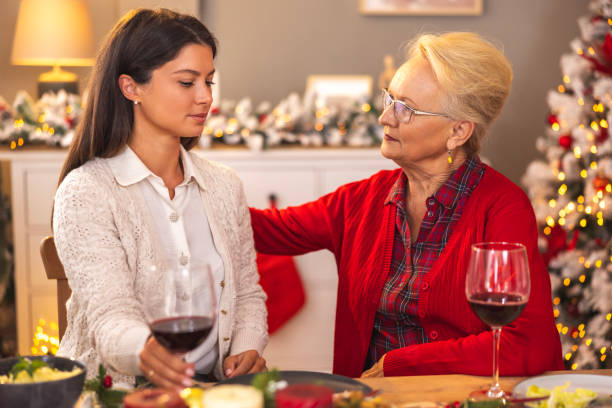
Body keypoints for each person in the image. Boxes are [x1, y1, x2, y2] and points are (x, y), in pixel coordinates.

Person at [249, 32, 563, 378]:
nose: (385, 118)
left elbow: (528, 345)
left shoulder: (502, 207)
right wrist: (186, 174)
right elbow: (262, 229)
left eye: (406, 109)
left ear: (458, 132)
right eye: (389, 100)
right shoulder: (362, 200)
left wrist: (397, 366)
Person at [53, 8, 268, 390]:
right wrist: (143, 350)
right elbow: (109, 317)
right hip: (117, 395)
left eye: (209, 81)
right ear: (131, 87)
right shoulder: (87, 191)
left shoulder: (223, 186)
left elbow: (249, 292)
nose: (206, 98)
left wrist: (248, 347)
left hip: (211, 391)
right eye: (187, 83)